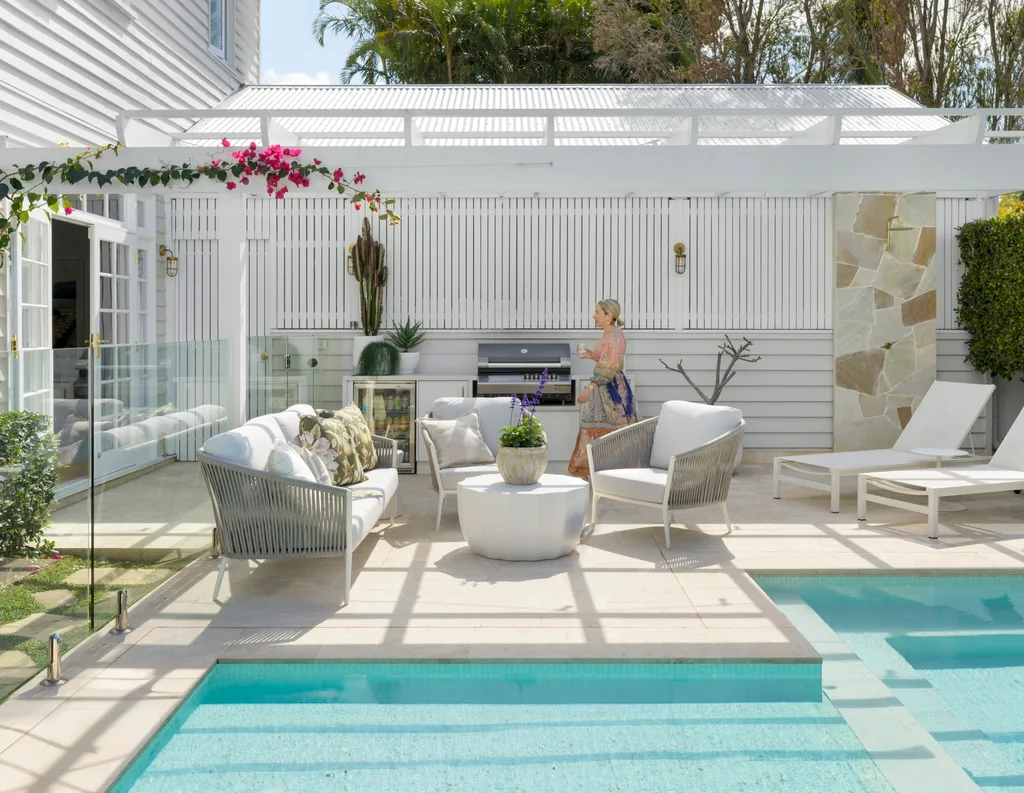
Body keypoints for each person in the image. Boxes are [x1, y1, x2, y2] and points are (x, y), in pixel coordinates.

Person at [567, 299, 640, 480]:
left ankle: (616, 475)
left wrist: (589, 388)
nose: (594, 315)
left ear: (609, 316)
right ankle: (599, 474)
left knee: (613, 432)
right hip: (601, 387)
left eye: (597, 312)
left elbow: (609, 369)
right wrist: (590, 355)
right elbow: (603, 360)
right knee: (596, 431)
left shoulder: (616, 336)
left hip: (611, 390)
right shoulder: (607, 334)